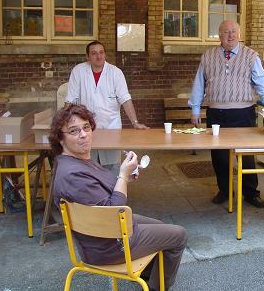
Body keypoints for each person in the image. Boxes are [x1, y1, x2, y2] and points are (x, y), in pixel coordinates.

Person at [50, 104, 187, 291]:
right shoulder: (73, 175)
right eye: (74, 131)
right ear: (60, 138)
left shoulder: (72, 162)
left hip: (101, 237)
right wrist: (122, 175)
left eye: (86, 127)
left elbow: (100, 196)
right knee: (179, 235)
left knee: (162, 227)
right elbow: (113, 212)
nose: (83, 135)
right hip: (108, 244)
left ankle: (148, 278)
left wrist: (126, 178)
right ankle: (156, 287)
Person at [189, 20, 264, 208]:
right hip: (216, 113)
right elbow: (199, 84)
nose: (230, 35)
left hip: (244, 112)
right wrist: (195, 109)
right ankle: (225, 191)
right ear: (219, 35)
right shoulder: (208, 56)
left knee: (247, 154)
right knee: (219, 156)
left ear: (239, 34)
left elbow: (262, 80)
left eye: (234, 31)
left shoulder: (251, 56)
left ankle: (251, 192)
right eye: (226, 32)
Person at [65, 40, 148, 167]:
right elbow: (70, 100)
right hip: (86, 128)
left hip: (111, 127)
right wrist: (63, 124)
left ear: (105, 54)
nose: (98, 56)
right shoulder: (78, 71)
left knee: (112, 167)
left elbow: (125, 99)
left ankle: (112, 186)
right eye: (94, 53)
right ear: (87, 57)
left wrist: (135, 123)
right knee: (87, 165)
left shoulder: (115, 73)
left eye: (101, 52)